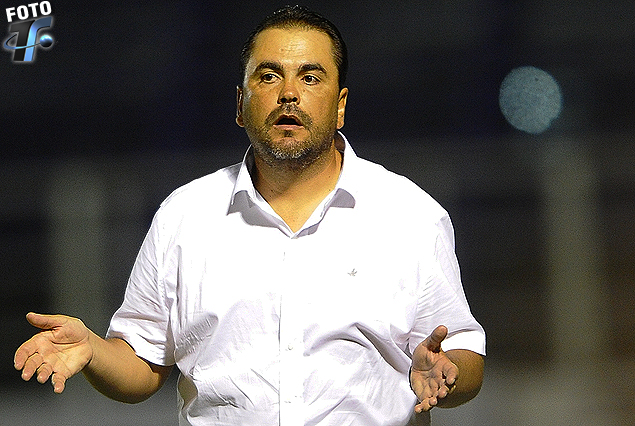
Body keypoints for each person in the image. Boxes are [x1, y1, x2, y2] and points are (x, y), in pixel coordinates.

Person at [14, 5, 485, 426]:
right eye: (269, 76)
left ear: (340, 106)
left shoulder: (410, 215)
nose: (289, 94)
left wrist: (449, 373)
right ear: (241, 105)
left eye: (311, 77)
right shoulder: (185, 216)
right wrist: (93, 350)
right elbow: (142, 364)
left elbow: (463, 354)